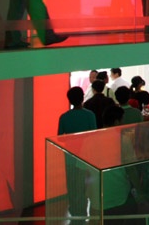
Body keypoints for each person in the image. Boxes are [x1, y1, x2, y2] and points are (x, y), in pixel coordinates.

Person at [58, 87, 97, 223]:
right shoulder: (90, 115)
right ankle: (83, 212)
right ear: (82, 98)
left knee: (72, 186)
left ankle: (75, 212)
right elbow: (94, 135)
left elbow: (60, 137)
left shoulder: (64, 117)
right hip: (86, 156)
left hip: (70, 157)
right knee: (85, 186)